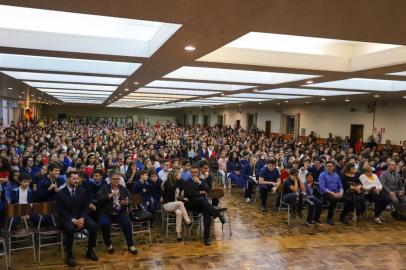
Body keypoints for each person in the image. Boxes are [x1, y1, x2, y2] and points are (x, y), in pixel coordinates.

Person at [56, 171, 98, 267]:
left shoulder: (82, 190)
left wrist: (82, 218)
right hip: (67, 218)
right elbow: (62, 211)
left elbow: (85, 207)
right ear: (67, 179)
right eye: (74, 179)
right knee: (70, 229)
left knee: (93, 226)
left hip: (81, 216)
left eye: (77, 179)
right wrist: (74, 220)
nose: (76, 181)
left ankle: (90, 251)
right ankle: (70, 255)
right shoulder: (60, 193)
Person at [183, 165, 225, 246]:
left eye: (195, 172)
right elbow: (189, 194)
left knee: (207, 212)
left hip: (202, 205)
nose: (194, 174)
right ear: (190, 173)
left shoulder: (201, 180)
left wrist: (199, 183)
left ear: (198, 172)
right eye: (192, 172)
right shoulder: (187, 182)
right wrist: (199, 193)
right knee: (201, 200)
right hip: (192, 204)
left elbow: (208, 190)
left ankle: (206, 238)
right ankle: (218, 214)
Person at [97, 170, 137, 255]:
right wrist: (110, 195)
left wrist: (127, 202)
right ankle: (109, 245)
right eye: (114, 179)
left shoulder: (123, 188)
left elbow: (132, 199)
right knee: (104, 224)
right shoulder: (104, 188)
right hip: (107, 213)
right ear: (110, 179)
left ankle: (130, 245)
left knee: (127, 222)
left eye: (118, 179)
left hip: (120, 212)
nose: (117, 181)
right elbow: (99, 200)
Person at [319, 161, 353, 225]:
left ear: (333, 167)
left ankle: (342, 217)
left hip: (336, 192)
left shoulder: (336, 175)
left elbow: (340, 186)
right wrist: (333, 193)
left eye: (331, 166)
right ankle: (329, 218)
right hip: (326, 193)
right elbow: (322, 188)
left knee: (349, 201)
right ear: (325, 167)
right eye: (328, 166)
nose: (329, 167)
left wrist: (341, 193)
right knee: (333, 200)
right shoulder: (322, 175)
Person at [161, 167, 191, 241]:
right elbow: (172, 189)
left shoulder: (177, 183)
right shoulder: (167, 183)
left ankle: (178, 234)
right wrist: (178, 181)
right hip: (167, 205)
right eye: (179, 174)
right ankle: (188, 221)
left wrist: (183, 197)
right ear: (174, 175)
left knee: (179, 213)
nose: (180, 176)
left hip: (175, 204)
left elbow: (177, 195)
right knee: (180, 203)